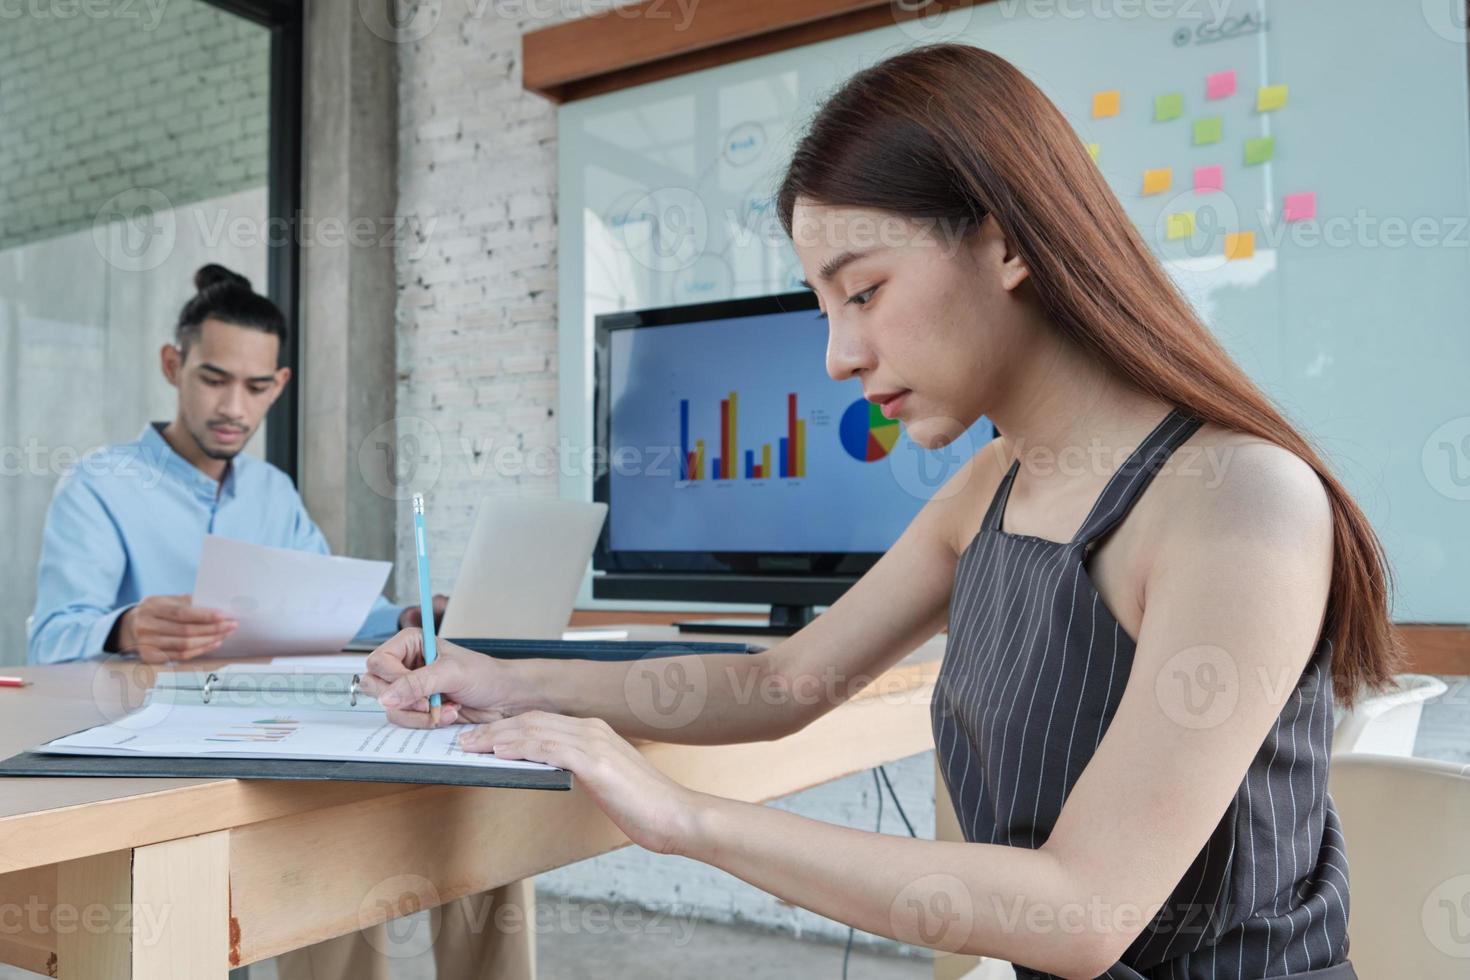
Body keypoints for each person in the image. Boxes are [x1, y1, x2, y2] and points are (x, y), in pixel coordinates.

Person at [361, 45, 1398, 979]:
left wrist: (680, 816)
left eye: (861, 292)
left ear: (1002, 245)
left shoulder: (1241, 500)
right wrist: (502, 680)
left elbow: (1089, 910)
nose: (837, 357)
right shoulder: (990, 485)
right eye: (825, 308)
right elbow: (780, 678)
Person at [26, 264, 524, 980]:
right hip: (158, 752)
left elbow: (327, 607)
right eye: (214, 379)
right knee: (328, 848)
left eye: (257, 388)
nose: (235, 405)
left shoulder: (271, 491)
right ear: (174, 365)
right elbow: (50, 640)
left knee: (432, 822)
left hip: (278, 724)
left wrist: (411, 615)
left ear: (280, 385)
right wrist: (126, 626)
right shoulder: (99, 485)